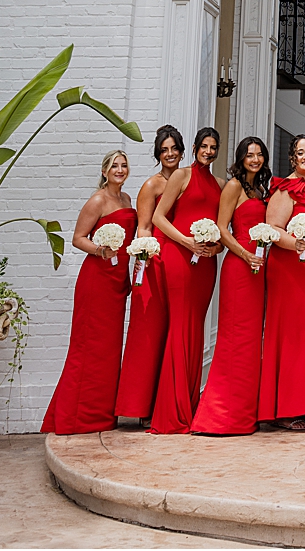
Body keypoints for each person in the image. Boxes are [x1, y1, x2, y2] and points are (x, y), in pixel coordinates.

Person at [40, 151, 135, 433]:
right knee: (87, 347)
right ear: (104, 171)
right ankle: (74, 417)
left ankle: (101, 416)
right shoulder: (98, 200)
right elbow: (78, 238)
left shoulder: (127, 200)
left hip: (117, 281)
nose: (119, 170)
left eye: (123, 165)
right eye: (114, 166)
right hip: (96, 280)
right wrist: (100, 250)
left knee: (108, 349)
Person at [190, 136, 273, 435]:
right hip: (239, 268)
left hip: (258, 269)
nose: (255, 159)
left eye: (259, 154)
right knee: (234, 338)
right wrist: (246, 254)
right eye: (249, 155)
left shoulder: (260, 190)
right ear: (240, 158)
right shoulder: (234, 187)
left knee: (251, 341)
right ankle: (220, 415)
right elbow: (221, 228)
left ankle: (243, 414)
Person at [146, 126, 224, 433]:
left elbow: (221, 226)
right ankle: (171, 412)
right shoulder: (181, 176)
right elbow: (158, 217)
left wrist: (215, 246)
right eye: (204, 146)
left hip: (206, 264)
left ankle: (189, 407)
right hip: (179, 259)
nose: (208, 151)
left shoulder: (219, 183)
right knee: (180, 328)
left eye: (213, 147)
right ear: (194, 148)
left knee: (195, 332)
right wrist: (187, 242)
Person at [114, 124, 183, 426]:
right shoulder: (151, 185)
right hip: (153, 262)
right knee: (149, 332)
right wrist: (144, 257)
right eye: (164, 150)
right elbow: (143, 227)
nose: (169, 154)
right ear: (158, 154)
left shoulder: (187, 181)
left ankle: (167, 401)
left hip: (180, 263)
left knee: (174, 331)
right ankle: (142, 405)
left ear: (182, 151)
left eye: (174, 149)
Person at [258, 132, 305, 427]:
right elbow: (273, 228)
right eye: (301, 153)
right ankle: (285, 409)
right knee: (291, 337)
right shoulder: (285, 189)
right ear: (293, 157)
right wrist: (295, 243)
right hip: (289, 271)